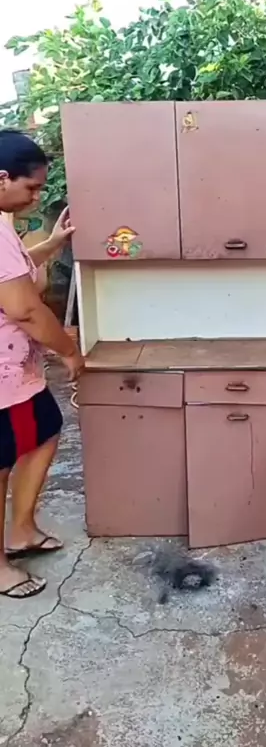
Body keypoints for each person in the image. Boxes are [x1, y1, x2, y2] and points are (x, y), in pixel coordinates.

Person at [0, 129, 84, 599]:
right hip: (2, 375)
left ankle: (22, 531)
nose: (36, 197)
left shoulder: (2, 228)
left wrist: (52, 244)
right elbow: (25, 308)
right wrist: (68, 350)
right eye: (31, 187)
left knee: (45, 430)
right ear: (1, 178)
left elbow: (13, 270)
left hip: (15, 374)